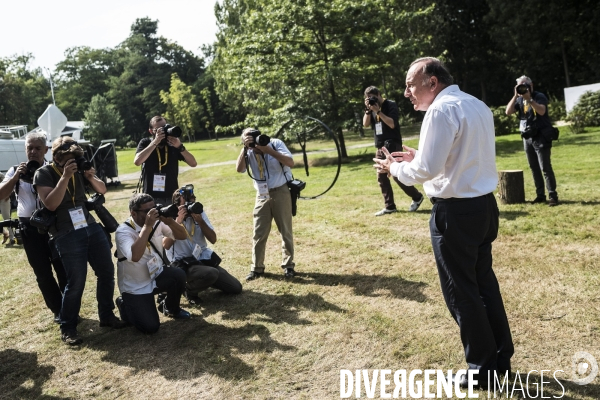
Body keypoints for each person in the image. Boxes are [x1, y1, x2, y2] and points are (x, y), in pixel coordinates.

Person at [374, 57, 513, 387]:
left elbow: (427, 171)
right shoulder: (475, 104)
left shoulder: (439, 110)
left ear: (431, 82)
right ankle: (500, 360)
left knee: (461, 292)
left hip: (456, 214)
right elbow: (456, 157)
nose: (406, 92)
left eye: (410, 84)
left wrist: (393, 168)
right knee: (484, 286)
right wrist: (415, 157)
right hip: (482, 208)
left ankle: (482, 370)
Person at [33, 137, 126, 345]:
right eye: (67, 158)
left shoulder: (79, 168)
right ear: (56, 157)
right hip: (66, 232)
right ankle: (68, 327)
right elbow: (50, 204)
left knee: (106, 272)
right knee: (76, 282)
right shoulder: (44, 173)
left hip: (90, 226)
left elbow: (102, 190)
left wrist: (90, 177)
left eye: (75, 158)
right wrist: (65, 177)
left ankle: (107, 315)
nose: (72, 162)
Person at [0, 133, 67, 322]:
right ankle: (58, 310)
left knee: (63, 268)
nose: (33, 151)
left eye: (38, 148)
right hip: (29, 227)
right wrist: (15, 179)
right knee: (43, 273)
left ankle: (69, 308)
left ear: (46, 150)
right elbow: (0, 195)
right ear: (25, 149)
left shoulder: (53, 170)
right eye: (30, 148)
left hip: (54, 225)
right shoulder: (15, 171)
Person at [115, 193, 191, 334]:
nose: (153, 213)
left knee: (178, 275)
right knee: (150, 327)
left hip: (156, 274)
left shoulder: (157, 222)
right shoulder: (123, 231)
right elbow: (135, 256)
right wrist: (147, 226)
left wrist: (169, 221)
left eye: (154, 208)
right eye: (147, 211)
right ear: (133, 213)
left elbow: (182, 235)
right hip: (135, 286)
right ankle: (125, 304)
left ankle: (172, 309)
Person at [163, 186, 242, 304]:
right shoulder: (170, 218)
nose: (190, 206)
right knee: (211, 273)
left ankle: (205, 280)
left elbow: (213, 239)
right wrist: (178, 222)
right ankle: (188, 290)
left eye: (192, 202)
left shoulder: (199, 213)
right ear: (176, 206)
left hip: (202, 259)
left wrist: (200, 221)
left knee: (235, 287)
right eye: (186, 204)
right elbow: (165, 245)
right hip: (184, 264)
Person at [235, 128, 295, 281]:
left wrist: (268, 151)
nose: (253, 142)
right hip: (261, 195)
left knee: (285, 230)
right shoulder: (247, 151)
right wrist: (245, 149)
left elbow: (290, 162)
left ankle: (288, 266)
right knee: (258, 232)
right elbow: (239, 169)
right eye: (247, 139)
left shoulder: (275, 144)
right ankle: (257, 268)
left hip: (280, 190)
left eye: (254, 138)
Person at [363, 86, 424, 216]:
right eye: (369, 99)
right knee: (381, 176)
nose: (373, 100)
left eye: (374, 97)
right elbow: (365, 124)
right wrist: (369, 110)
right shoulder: (371, 108)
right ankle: (390, 206)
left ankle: (417, 197)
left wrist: (378, 111)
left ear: (379, 94)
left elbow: (391, 124)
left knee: (397, 175)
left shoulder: (390, 105)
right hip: (380, 146)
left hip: (392, 144)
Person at [505, 76, 559, 206]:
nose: (522, 88)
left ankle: (553, 196)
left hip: (541, 136)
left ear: (531, 86)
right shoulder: (519, 99)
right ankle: (540, 195)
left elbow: (541, 111)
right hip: (528, 136)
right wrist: (515, 95)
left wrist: (529, 99)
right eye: (520, 86)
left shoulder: (539, 96)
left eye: (524, 85)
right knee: (534, 167)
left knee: (545, 167)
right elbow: (508, 111)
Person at [133, 116, 197, 205]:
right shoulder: (146, 143)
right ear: (151, 131)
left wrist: (180, 146)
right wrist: (155, 142)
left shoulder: (173, 144)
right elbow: (137, 161)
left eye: (165, 127)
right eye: (159, 129)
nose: (164, 131)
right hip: (151, 198)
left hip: (172, 196)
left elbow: (193, 163)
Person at [0, 173, 15, 245]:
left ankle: (12, 238)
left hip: (3, 198)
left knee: (6, 218)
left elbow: (8, 183)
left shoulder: (0, 175)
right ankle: (5, 233)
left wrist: (8, 194)